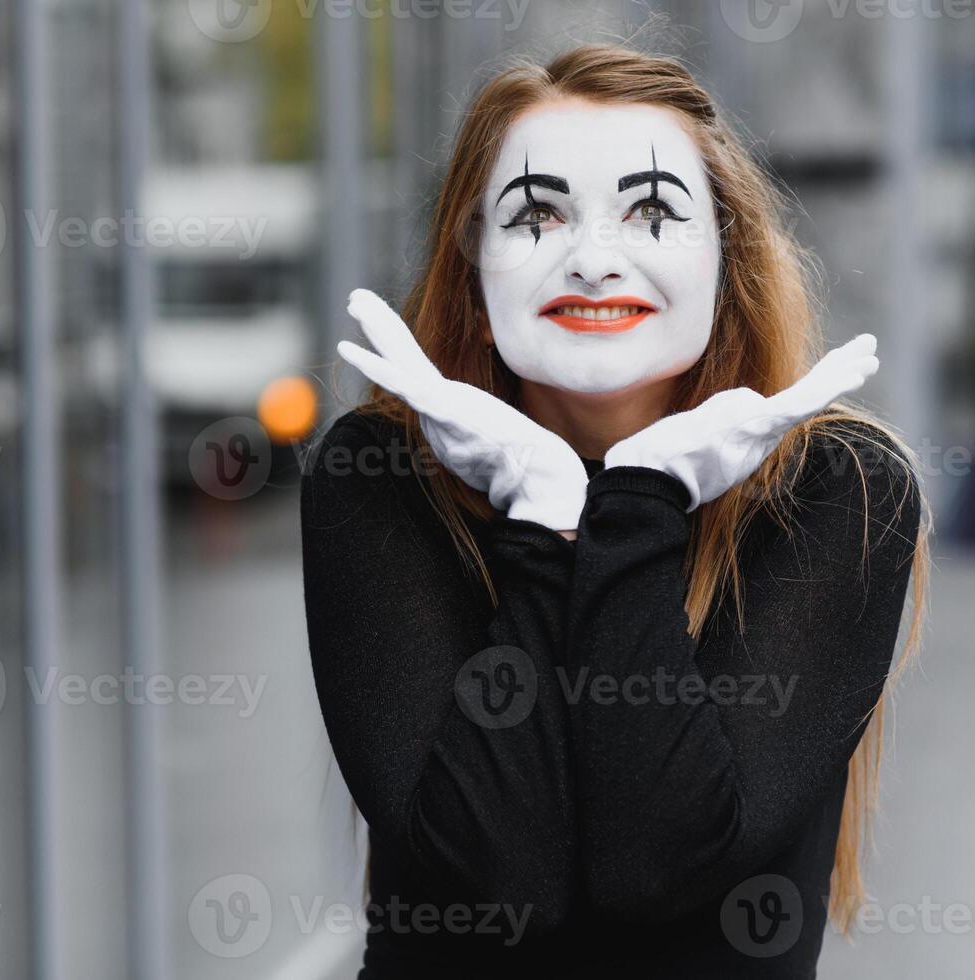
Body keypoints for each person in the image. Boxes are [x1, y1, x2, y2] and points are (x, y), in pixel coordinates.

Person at [301, 43, 928, 979]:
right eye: (539, 215)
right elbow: (505, 882)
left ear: (729, 261)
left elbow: (658, 863)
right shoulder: (382, 478)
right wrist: (549, 517)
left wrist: (636, 500)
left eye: (652, 212)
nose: (595, 261)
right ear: (473, 269)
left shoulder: (839, 488)